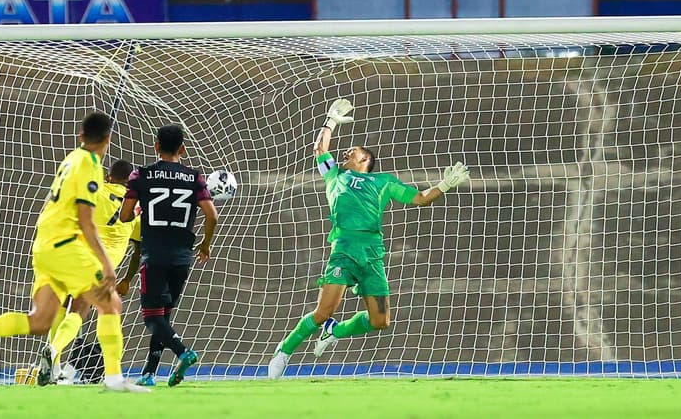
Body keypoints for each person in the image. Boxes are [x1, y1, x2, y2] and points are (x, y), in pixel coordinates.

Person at [0, 111, 149, 393]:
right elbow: (86, 221)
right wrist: (107, 264)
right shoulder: (89, 167)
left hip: (44, 244)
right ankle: (113, 379)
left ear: (80, 137)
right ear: (108, 139)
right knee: (110, 303)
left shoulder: (70, 160)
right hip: (66, 246)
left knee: (40, 321)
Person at [266, 99, 470, 380]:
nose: (346, 152)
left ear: (365, 160)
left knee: (380, 321)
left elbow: (420, 199)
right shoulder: (334, 176)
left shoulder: (383, 182)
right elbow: (319, 148)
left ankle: (335, 332)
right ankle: (284, 351)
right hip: (344, 251)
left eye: (353, 151)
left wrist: (444, 185)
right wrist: (331, 121)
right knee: (324, 309)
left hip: (372, 254)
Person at [119, 124, 219, 387]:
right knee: (163, 315)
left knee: (152, 317)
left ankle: (183, 351)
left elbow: (125, 215)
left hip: (154, 256)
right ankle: (149, 373)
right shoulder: (195, 177)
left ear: (156, 146)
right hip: (182, 257)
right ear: (182, 149)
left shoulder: (141, 175)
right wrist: (205, 245)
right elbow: (212, 216)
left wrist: (142, 208)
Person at [41, 158, 141, 385]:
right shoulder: (136, 207)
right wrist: (126, 279)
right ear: (130, 183)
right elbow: (138, 250)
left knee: (64, 304)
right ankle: (54, 350)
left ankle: (53, 363)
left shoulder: (95, 190)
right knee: (79, 310)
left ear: (109, 177)